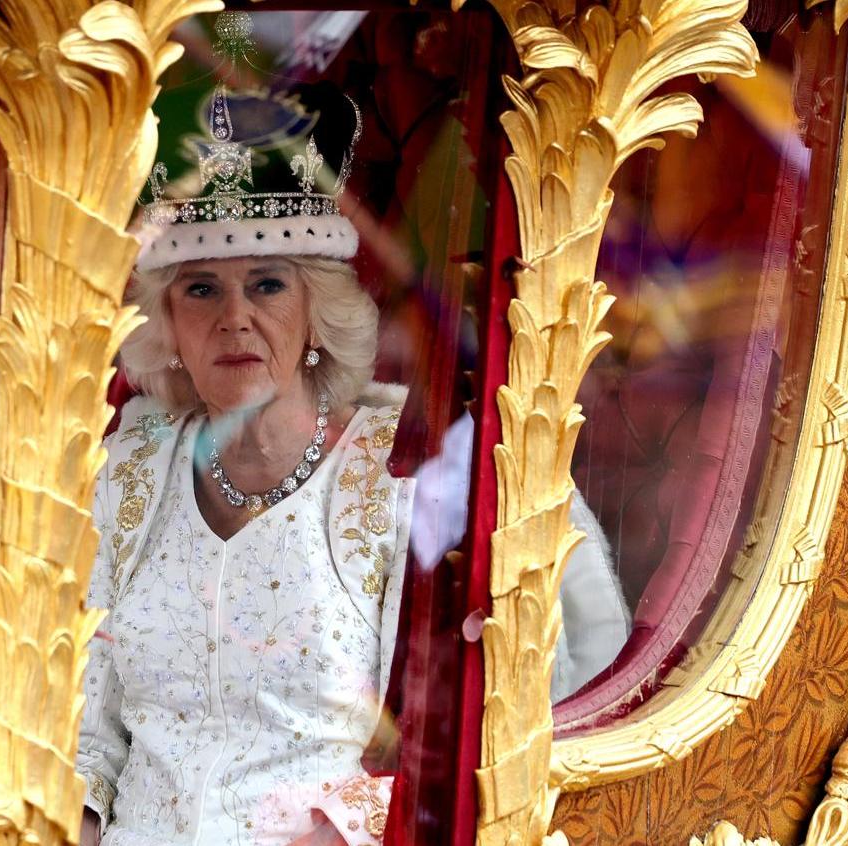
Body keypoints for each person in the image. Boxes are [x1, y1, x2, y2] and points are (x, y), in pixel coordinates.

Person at [76, 45, 625, 845]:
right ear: (167, 327)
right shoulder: (123, 465)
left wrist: (351, 826)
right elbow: (83, 729)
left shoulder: (418, 463)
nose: (235, 318)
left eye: (267, 284)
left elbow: (540, 710)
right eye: (201, 290)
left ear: (315, 312)